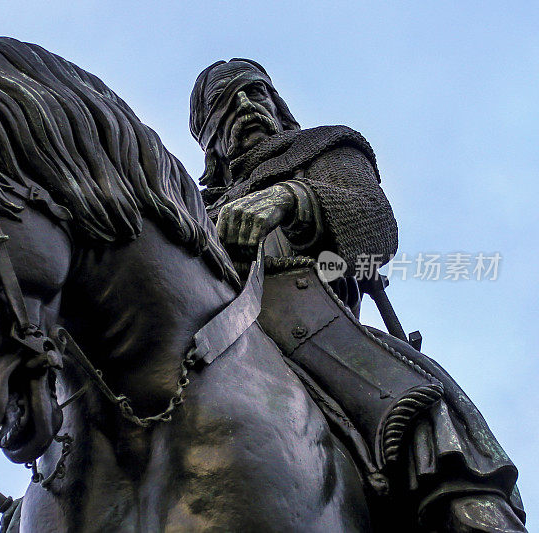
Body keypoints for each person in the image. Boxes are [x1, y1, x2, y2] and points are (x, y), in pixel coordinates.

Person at [190, 58, 526, 532]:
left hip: (314, 323)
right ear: (208, 137)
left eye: (256, 94)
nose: (245, 108)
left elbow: (375, 227)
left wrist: (291, 199)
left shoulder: (323, 148)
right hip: (210, 338)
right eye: (226, 105)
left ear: (277, 104)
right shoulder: (191, 204)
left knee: (416, 405)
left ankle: (470, 510)